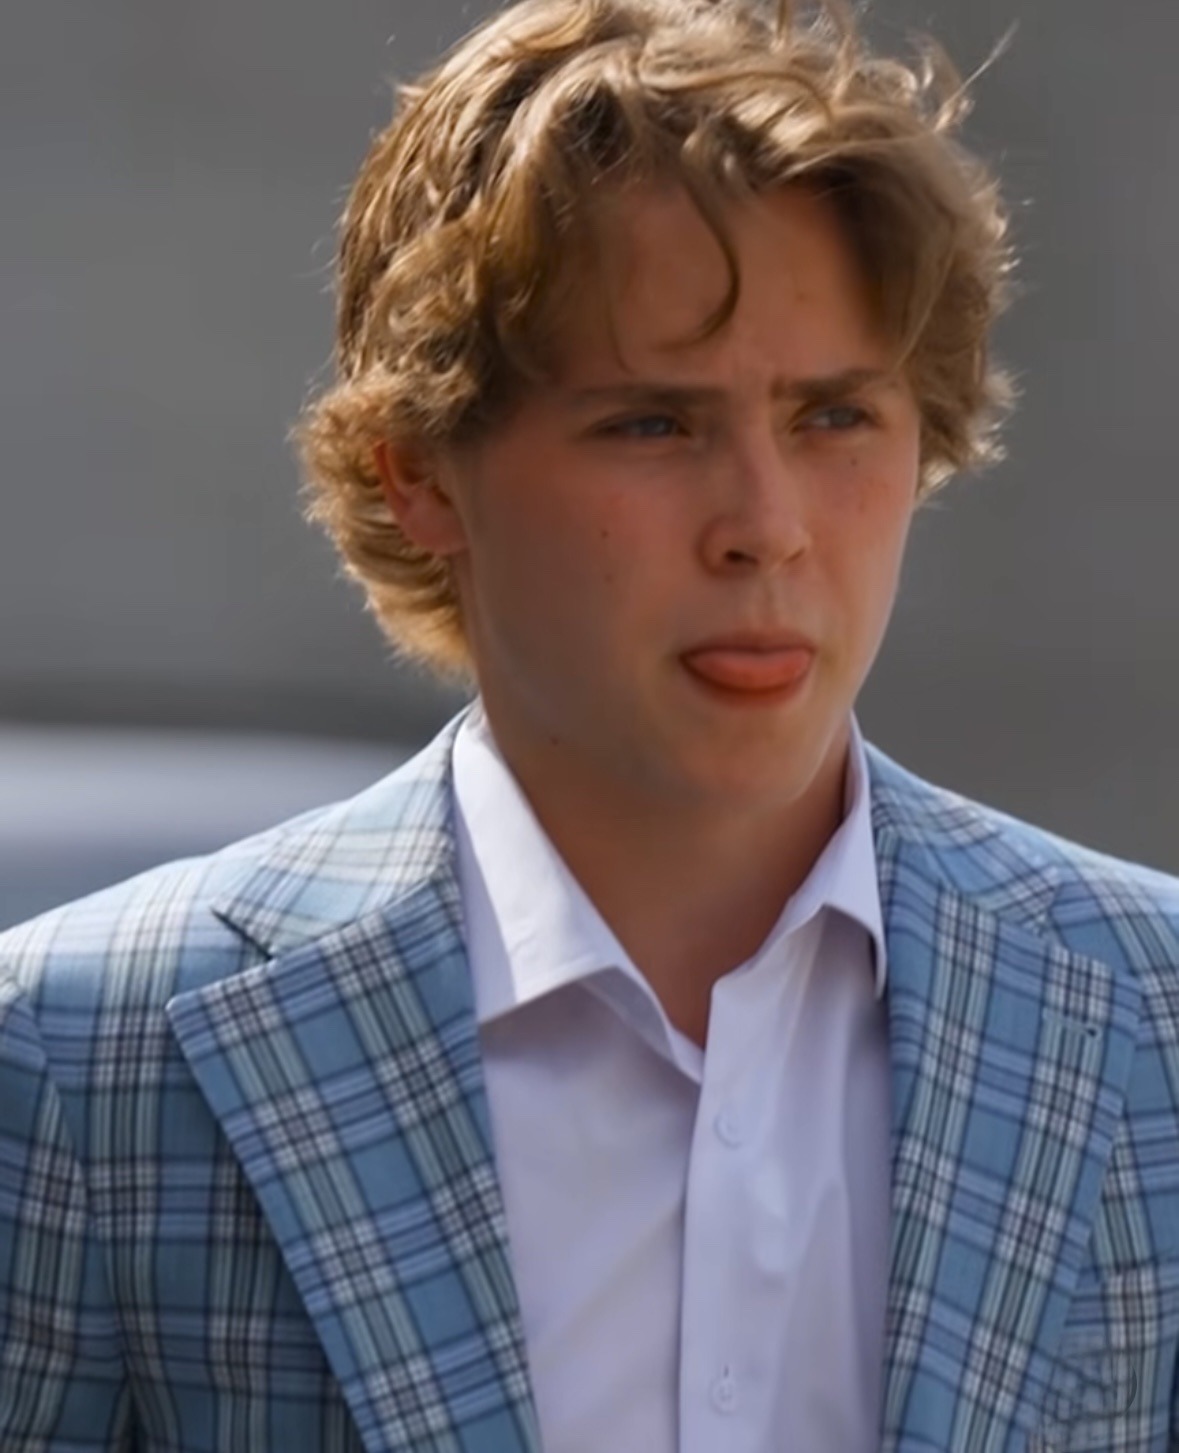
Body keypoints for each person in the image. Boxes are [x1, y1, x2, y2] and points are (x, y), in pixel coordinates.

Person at [2, 0, 1176, 1448]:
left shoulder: (1149, 1016)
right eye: (653, 423)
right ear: (422, 472)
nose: (766, 527)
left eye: (833, 418)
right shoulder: (85, 1054)